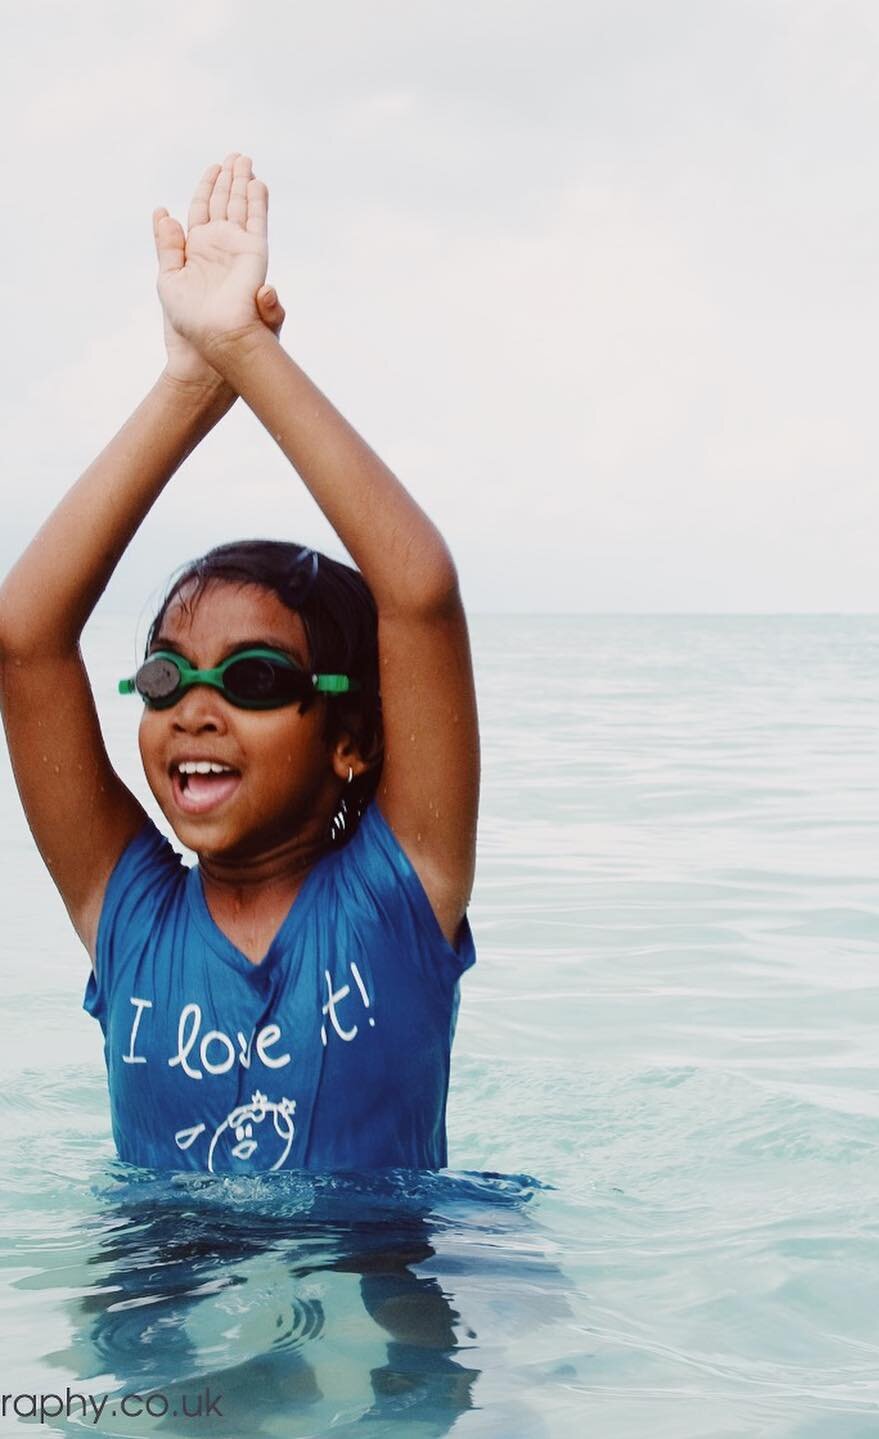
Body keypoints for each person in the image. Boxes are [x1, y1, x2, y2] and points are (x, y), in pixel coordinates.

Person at [0, 155, 480, 1173]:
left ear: (351, 740)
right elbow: (26, 638)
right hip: (160, 1294)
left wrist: (244, 351)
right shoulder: (127, 911)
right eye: (168, 677)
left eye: (254, 678)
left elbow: (420, 594)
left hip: (376, 1294)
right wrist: (185, 385)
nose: (195, 708)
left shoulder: (402, 893)